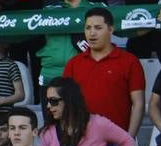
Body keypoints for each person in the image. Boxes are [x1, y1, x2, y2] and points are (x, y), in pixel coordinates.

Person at [62, 8, 145, 136]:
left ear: (110, 29)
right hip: (82, 139)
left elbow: (138, 103)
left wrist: (129, 139)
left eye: (98, 28)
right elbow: (66, 102)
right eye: (88, 28)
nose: (92, 33)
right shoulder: (73, 63)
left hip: (117, 139)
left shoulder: (130, 61)